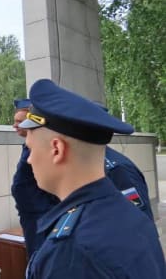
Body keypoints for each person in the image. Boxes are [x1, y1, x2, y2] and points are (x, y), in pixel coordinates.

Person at [19, 79, 166, 278]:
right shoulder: (131, 218)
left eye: (31, 148)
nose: (29, 160)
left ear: (57, 149)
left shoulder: (70, 251)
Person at [10, 99, 58, 257]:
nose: (14, 125)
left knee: (40, 256)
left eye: (19, 122)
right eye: (15, 121)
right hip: (30, 213)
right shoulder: (29, 144)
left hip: (40, 214)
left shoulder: (42, 146)